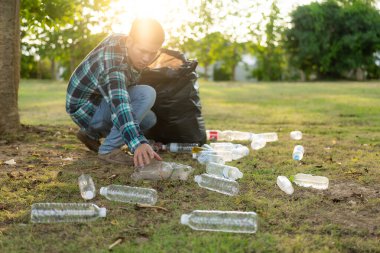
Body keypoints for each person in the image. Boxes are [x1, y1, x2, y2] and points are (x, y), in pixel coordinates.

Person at [66, 18, 164, 167]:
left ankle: (90, 134)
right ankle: (108, 149)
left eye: (152, 53)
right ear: (130, 41)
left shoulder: (124, 44)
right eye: (143, 51)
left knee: (149, 119)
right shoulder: (113, 61)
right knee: (146, 94)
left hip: (99, 104)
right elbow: (120, 103)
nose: (146, 58)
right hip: (86, 109)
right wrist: (138, 143)